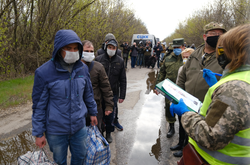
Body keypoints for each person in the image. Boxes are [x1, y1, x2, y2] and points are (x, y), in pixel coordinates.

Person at [171, 23, 250, 165]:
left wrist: (184, 112)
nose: (220, 51)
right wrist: (215, 86)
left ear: (235, 51)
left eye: (224, 47)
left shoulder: (234, 88)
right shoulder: (243, 79)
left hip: (211, 160)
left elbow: (210, 137)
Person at [32, 30, 98, 165]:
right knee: (59, 161)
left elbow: (88, 94)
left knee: (80, 158)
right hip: (56, 130)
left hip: (79, 127)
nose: (72, 51)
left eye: (75, 48)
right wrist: (39, 133)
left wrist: (93, 113)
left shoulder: (83, 69)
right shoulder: (44, 73)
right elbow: (39, 106)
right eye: (68, 48)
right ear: (59, 49)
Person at [173, 22, 226, 157]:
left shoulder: (224, 56)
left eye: (221, 34)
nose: (218, 37)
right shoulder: (195, 53)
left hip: (206, 105)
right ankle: (180, 144)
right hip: (187, 100)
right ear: (204, 36)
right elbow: (183, 75)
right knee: (183, 125)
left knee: (198, 130)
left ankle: (189, 151)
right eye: (214, 34)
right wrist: (178, 95)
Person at [95, 39, 127, 143]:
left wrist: (122, 95)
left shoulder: (120, 61)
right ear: (106, 47)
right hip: (99, 93)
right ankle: (100, 133)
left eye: (113, 48)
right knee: (99, 114)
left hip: (113, 93)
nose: (111, 49)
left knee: (110, 114)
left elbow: (123, 79)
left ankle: (109, 132)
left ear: (116, 49)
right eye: (109, 47)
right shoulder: (99, 59)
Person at [154, 38, 185, 138]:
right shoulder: (167, 58)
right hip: (169, 89)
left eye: (178, 47)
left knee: (183, 110)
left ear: (183, 47)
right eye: (175, 47)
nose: (176, 49)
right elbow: (162, 72)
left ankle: (183, 131)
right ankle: (171, 127)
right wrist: (157, 86)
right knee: (169, 108)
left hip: (184, 89)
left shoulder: (187, 57)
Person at [81, 40, 114, 134]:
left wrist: (109, 106)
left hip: (96, 107)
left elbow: (106, 88)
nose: (89, 53)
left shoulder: (98, 67)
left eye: (91, 51)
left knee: (96, 132)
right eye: (86, 51)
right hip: (79, 109)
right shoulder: (74, 67)